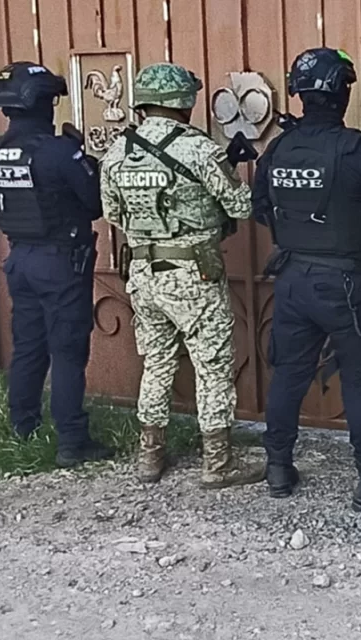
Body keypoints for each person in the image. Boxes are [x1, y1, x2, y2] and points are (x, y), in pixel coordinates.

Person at [251, 48, 361, 509]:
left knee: (288, 375)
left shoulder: (280, 148)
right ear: (343, 93)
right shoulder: (357, 149)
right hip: (345, 283)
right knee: (360, 382)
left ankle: (278, 468)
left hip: (292, 279)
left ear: (301, 94)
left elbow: (259, 206)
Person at [100, 63, 264, 489]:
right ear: (184, 103)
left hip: (143, 273)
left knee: (156, 363)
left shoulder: (117, 152)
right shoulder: (200, 149)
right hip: (194, 276)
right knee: (212, 366)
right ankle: (218, 463)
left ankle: (149, 457)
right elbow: (242, 207)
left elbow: (112, 213)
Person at [0, 62, 112, 467]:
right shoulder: (60, 152)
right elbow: (95, 204)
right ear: (41, 103)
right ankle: (72, 440)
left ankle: (24, 427)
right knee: (67, 350)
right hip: (60, 263)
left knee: (29, 347)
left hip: (19, 260)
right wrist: (85, 160)